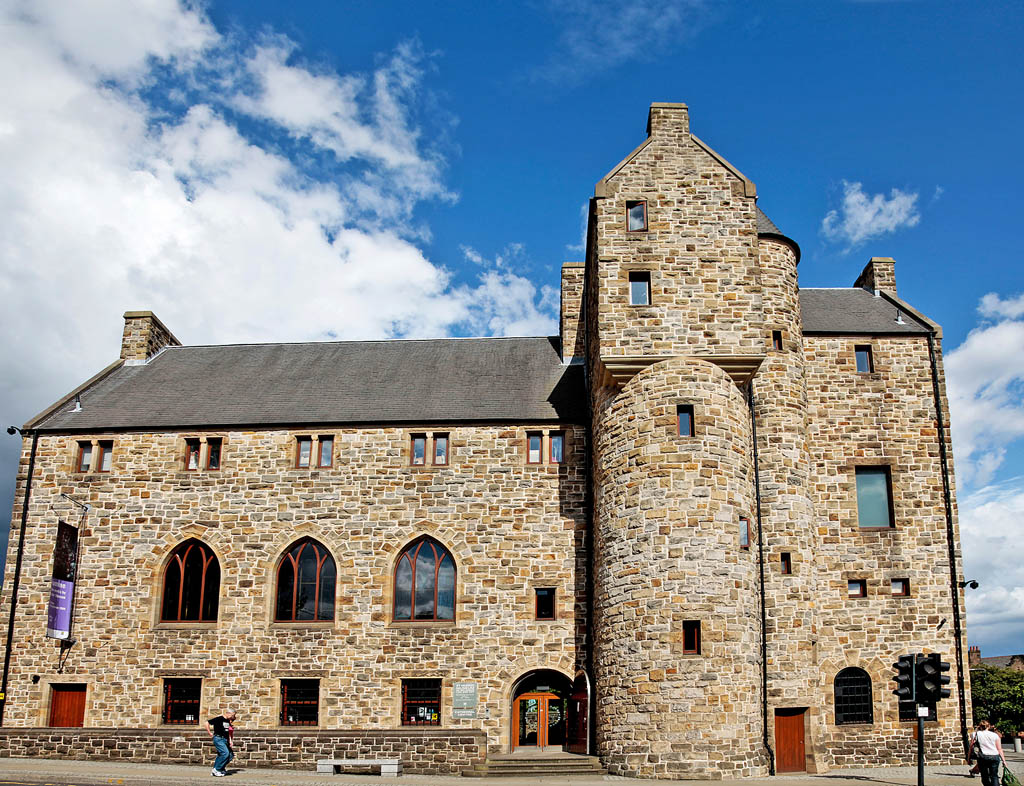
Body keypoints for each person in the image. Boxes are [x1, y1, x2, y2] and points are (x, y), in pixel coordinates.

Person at [205, 708, 237, 777]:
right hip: (218, 738)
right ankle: (217, 769)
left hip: (225, 739)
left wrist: (230, 741)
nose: (232, 717)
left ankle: (218, 769)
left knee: (230, 755)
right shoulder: (219, 719)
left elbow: (228, 732)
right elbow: (207, 722)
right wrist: (210, 733)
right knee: (225, 753)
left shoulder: (228, 721)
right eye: (232, 715)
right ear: (228, 713)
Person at [975, 719, 1007, 786]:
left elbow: (972, 744)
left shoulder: (977, 734)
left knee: (984, 776)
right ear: (989, 726)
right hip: (994, 756)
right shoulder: (995, 735)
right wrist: (1004, 760)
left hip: (983, 756)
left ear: (980, 726)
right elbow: (999, 749)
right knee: (994, 776)